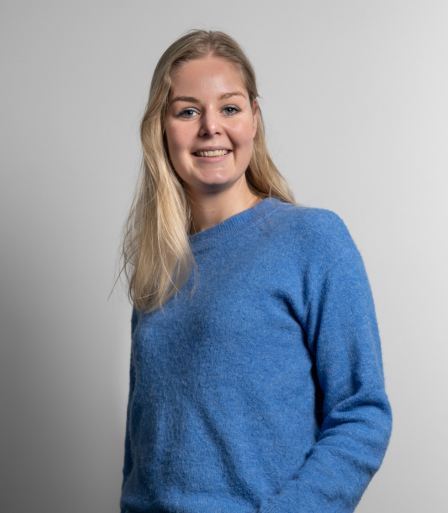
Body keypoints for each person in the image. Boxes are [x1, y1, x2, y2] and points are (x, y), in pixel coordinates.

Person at [119, 30, 392, 513]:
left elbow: (361, 413)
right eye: (187, 111)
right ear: (162, 128)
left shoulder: (312, 239)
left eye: (229, 108)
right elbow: (141, 444)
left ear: (254, 119)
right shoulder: (158, 267)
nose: (211, 127)